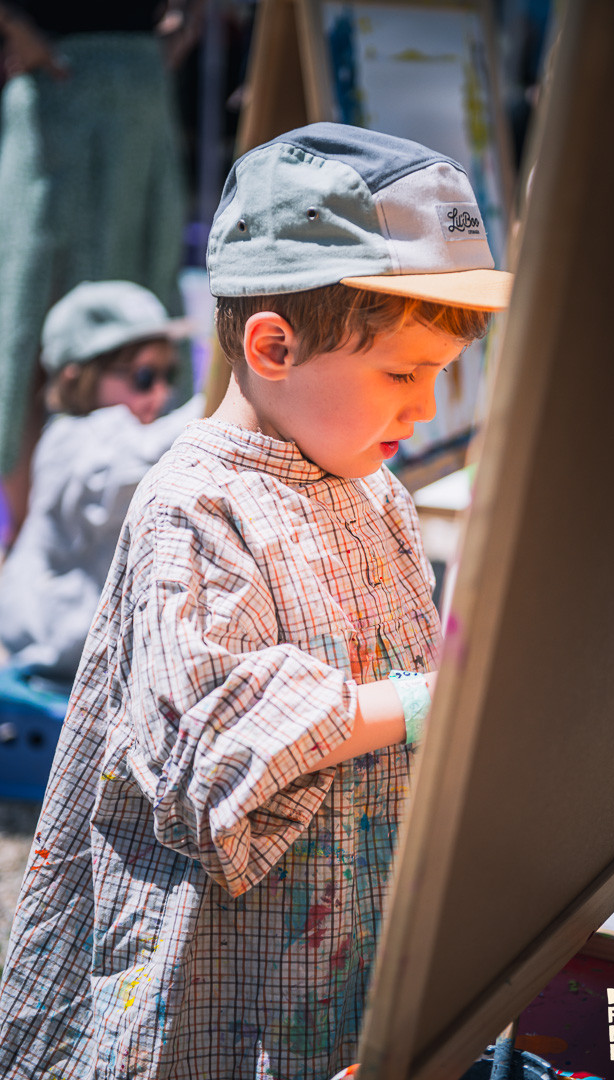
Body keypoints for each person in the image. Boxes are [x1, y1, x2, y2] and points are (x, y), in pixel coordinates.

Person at [0, 123, 513, 1079]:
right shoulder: (194, 503)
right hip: (224, 973)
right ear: (273, 346)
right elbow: (206, 750)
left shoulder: (375, 488)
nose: (424, 409)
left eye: (438, 376)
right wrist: (415, 705)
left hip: (346, 934)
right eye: (402, 373)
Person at [0, 0, 200, 545]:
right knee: (31, 309)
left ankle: (126, 539)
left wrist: (186, 21)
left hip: (139, 88)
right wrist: (15, 25)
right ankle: (30, 544)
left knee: (140, 314)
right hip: (55, 83)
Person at [0, 280, 202, 685]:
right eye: (143, 376)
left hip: (82, 665)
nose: (160, 393)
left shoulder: (123, 434)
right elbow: (136, 461)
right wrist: (224, 402)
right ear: (78, 377)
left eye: (169, 374)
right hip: (45, 664)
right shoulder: (69, 440)